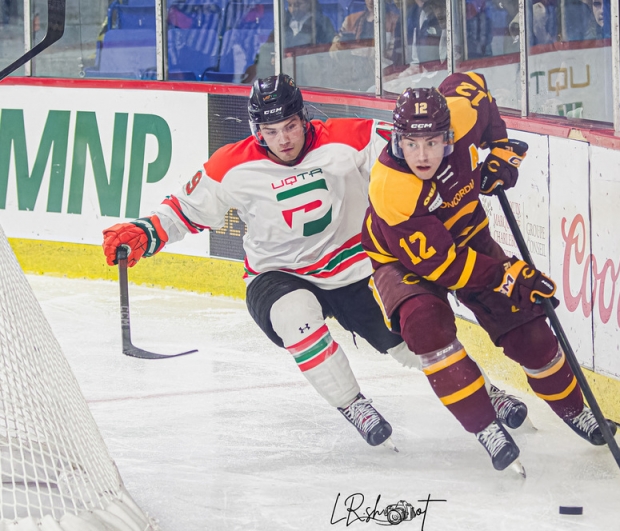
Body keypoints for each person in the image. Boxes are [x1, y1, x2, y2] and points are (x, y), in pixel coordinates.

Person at [101, 74, 528, 449]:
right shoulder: (230, 165)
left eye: (290, 126)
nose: (284, 139)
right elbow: (184, 211)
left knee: (412, 339)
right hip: (277, 275)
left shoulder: (349, 138)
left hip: (357, 267)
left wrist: (488, 150)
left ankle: (486, 394)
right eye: (271, 130)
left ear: (303, 118)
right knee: (296, 316)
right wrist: (145, 232)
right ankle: (353, 404)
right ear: (257, 130)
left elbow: (418, 140)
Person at [362, 72, 618, 474]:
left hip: (467, 234)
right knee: (426, 327)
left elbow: (471, 84)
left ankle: (574, 410)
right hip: (404, 260)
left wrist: (500, 150)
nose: (422, 155)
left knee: (528, 330)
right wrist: (506, 274)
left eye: (432, 142)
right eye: (411, 144)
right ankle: (486, 426)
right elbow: (444, 266)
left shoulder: (461, 114)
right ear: (397, 141)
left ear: (448, 136)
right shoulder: (392, 188)